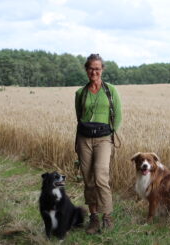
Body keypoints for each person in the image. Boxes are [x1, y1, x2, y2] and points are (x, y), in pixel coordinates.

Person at [75, 54, 122, 234]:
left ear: (102, 70)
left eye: (97, 68)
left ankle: (107, 217)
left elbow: (118, 115)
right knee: (88, 180)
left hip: (104, 139)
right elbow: (79, 118)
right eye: (91, 68)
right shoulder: (80, 93)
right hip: (84, 139)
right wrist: (77, 141)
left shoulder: (111, 91)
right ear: (86, 70)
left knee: (101, 177)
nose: (94, 71)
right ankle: (93, 218)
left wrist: (110, 133)